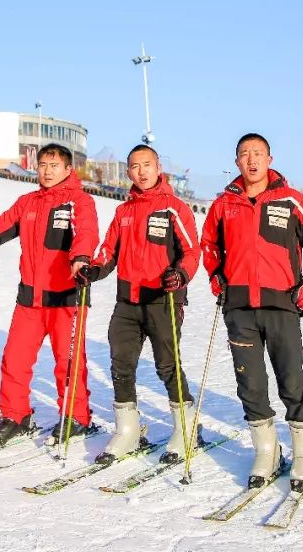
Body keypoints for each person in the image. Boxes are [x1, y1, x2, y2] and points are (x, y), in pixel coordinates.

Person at [200, 133, 303, 490]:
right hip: (239, 308)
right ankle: (266, 450)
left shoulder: (292, 200)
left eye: (257, 153)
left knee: (291, 379)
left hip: (282, 305)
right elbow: (209, 246)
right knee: (251, 383)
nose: (251, 160)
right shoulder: (223, 204)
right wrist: (216, 275)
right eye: (244, 154)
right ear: (237, 162)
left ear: (270, 158)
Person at [0, 143, 99, 447]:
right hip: (29, 299)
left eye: (54, 165)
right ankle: (15, 416)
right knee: (14, 360)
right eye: (42, 165)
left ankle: (76, 417)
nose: (47, 171)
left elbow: (87, 233)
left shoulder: (79, 202)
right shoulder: (27, 203)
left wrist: (81, 258)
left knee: (68, 362)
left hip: (66, 296)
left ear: (68, 170)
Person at [82, 145, 200, 464]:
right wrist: (95, 268)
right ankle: (128, 431)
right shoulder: (124, 212)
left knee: (167, 366)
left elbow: (191, 252)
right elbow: (108, 250)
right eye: (134, 166)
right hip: (127, 302)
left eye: (147, 164)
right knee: (121, 365)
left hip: (163, 299)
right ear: (128, 171)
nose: (141, 171)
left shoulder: (175, 208)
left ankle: (186, 428)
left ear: (158, 166)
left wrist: (181, 274)